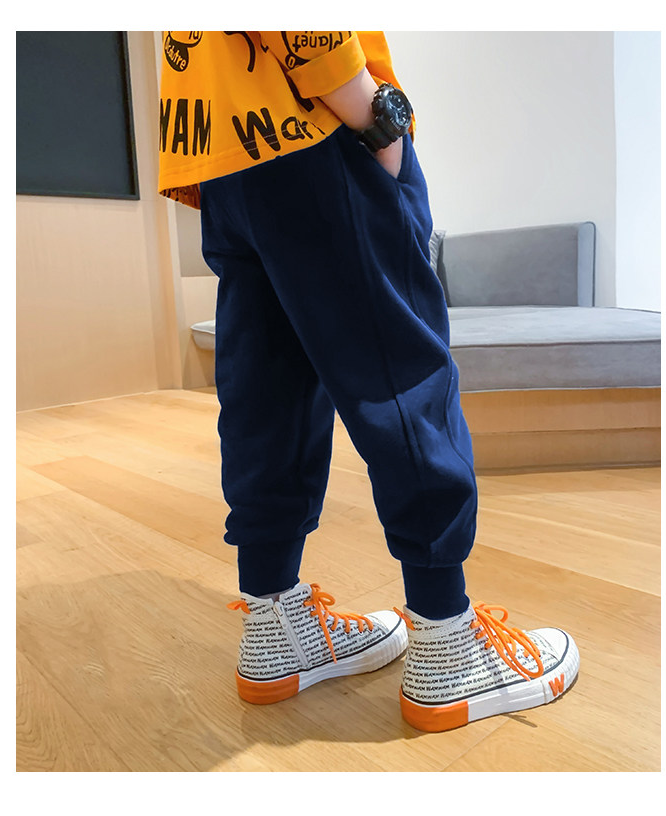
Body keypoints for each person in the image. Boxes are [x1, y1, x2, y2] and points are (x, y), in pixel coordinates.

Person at [158, 30, 579, 732]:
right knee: (402, 376)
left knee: (266, 390)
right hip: (317, 127)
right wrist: (379, 121)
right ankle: (446, 643)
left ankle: (274, 626)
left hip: (225, 155)